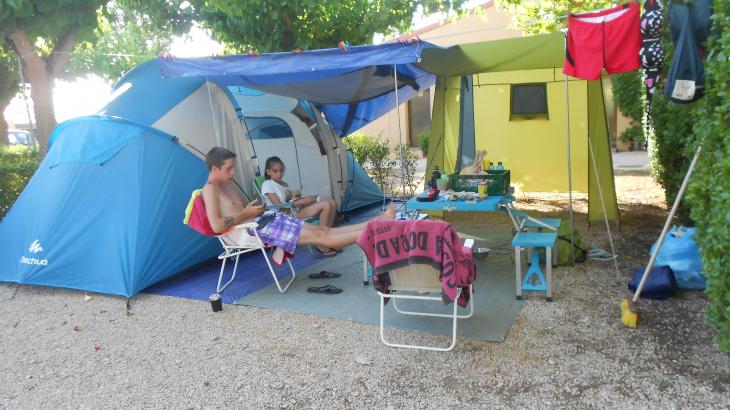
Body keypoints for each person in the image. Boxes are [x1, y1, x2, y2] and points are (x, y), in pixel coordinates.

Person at [201, 147, 395, 256]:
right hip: (254, 231)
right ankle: (377, 228)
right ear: (214, 168)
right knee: (321, 235)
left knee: (323, 230)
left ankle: (375, 223)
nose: (233, 173)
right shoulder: (210, 190)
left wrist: (254, 209)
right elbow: (217, 226)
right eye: (228, 169)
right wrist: (246, 213)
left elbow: (242, 210)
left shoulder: (228, 184)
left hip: (265, 220)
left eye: (233, 168)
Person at [261, 156, 338, 255]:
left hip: (293, 212)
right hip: (283, 217)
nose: (279, 174)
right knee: (326, 205)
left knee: (331, 203)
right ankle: (321, 242)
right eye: (275, 171)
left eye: (281, 171)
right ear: (268, 171)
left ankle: (327, 238)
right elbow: (279, 205)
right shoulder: (267, 184)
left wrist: (303, 200)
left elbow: (289, 201)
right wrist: (302, 202)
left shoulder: (283, 184)